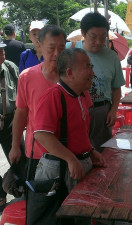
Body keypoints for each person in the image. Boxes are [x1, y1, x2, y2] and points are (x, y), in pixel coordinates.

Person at [32, 48, 105, 224]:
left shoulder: (82, 94)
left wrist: (91, 150)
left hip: (77, 164)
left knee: (80, 217)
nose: (92, 72)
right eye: (88, 67)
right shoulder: (53, 96)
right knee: (59, 219)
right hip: (59, 168)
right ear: (70, 72)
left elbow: (79, 130)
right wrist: (71, 159)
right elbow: (41, 135)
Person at [9, 25, 67, 170]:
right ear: (39, 46)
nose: (56, 53)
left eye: (61, 48)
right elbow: (21, 113)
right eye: (51, 48)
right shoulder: (26, 77)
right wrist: (15, 146)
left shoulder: (71, 76)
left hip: (68, 150)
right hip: (36, 151)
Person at [66, 12, 125, 152]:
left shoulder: (112, 57)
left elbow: (116, 88)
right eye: (93, 37)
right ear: (83, 33)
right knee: (75, 152)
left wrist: (113, 110)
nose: (99, 42)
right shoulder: (69, 50)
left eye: (103, 37)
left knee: (101, 153)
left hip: (101, 114)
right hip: (74, 112)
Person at [0, 37, 25, 211]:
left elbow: (20, 89)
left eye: (2, 49)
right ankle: (0, 195)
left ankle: (19, 187)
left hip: (10, 121)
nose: (2, 52)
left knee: (19, 155)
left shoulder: (10, 67)